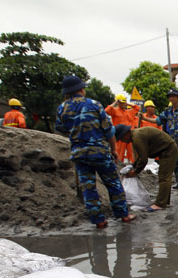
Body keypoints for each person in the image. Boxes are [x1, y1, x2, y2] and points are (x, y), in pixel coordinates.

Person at [55, 75, 135, 229]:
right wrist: (114, 150)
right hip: (100, 152)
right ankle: (123, 215)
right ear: (81, 89)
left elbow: (61, 129)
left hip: (79, 154)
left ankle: (99, 221)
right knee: (113, 183)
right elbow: (108, 130)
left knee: (89, 187)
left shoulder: (62, 108)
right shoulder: (94, 105)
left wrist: (77, 136)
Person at [141, 88, 178, 190]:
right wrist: (144, 118)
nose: (171, 98)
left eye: (173, 96)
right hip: (171, 140)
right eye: (170, 97)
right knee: (175, 162)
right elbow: (157, 120)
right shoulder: (167, 111)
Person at [115, 124, 178, 212]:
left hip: (168, 151)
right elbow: (141, 157)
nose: (122, 141)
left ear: (126, 134)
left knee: (164, 177)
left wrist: (135, 172)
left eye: (121, 138)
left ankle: (160, 204)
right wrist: (133, 166)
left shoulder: (137, 138)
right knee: (164, 176)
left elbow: (144, 160)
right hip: (166, 150)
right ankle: (164, 201)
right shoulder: (136, 135)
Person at [105, 93, 139, 163]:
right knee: (119, 154)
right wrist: (115, 103)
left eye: (124, 103)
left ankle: (134, 166)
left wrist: (128, 103)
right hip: (119, 136)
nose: (124, 104)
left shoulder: (129, 112)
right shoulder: (114, 111)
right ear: (118, 103)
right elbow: (106, 111)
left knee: (132, 154)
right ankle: (118, 167)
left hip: (129, 135)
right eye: (122, 103)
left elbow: (137, 108)